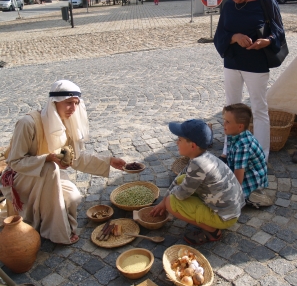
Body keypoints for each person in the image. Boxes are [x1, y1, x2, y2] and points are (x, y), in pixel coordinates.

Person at [0, 80, 126, 245]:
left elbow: (76, 158)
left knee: (72, 197)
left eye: (76, 104)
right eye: (68, 103)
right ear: (54, 102)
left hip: (47, 177)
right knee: (50, 167)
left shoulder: (67, 125)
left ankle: (53, 222)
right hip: (21, 178)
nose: (73, 109)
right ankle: (57, 233)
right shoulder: (28, 123)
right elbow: (15, 162)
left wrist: (109, 161)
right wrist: (46, 158)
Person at [214, 0, 285, 162]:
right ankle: (229, 150)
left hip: (256, 64)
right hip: (232, 63)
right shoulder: (228, 5)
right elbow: (220, 34)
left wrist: (268, 41)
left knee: (259, 108)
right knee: (231, 107)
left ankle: (261, 155)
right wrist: (234, 37)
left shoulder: (266, 1)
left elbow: (279, 31)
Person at [151, 119, 244, 245]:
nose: (176, 142)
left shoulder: (198, 164)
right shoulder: (202, 156)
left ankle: (212, 231)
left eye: (180, 140)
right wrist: (162, 201)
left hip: (225, 217)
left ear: (193, 146)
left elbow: (180, 195)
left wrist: (165, 202)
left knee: (171, 203)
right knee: (180, 180)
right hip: (231, 209)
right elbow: (180, 177)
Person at [222, 103, 268, 201]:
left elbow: (238, 180)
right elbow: (229, 158)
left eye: (228, 122)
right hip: (241, 173)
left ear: (240, 127)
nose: (224, 124)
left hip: (251, 182)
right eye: (224, 120)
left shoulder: (243, 145)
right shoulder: (234, 134)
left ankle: (254, 197)